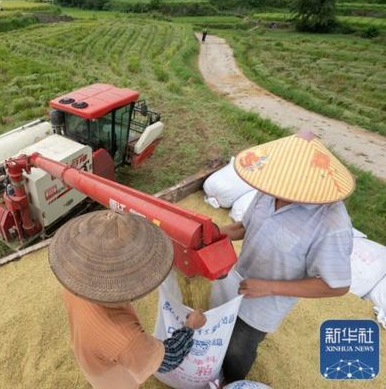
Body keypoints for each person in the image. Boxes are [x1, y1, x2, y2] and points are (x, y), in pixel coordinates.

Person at [212, 131, 355, 383]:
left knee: (238, 351)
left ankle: (232, 383)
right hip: (234, 281)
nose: (276, 185)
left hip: (263, 306)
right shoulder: (271, 188)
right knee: (218, 330)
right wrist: (213, 233)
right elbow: (244, 226)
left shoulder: (332, 224)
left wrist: (269, 287)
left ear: (309, 182)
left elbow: (336, 286)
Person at [49, 210, 207, 389]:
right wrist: (190, 327)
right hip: (113, 379)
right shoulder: (126, 339)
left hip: (86, 351)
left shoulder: (74, 280)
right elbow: (169, 358)